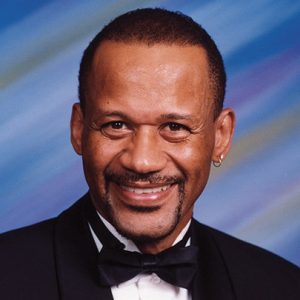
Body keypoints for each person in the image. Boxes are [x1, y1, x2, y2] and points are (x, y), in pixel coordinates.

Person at [0, 8, 299, 300]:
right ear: (78, 130)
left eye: (174, 127)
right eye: (116, 125)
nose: (142, 162)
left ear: (220, 136)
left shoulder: (283, 286)